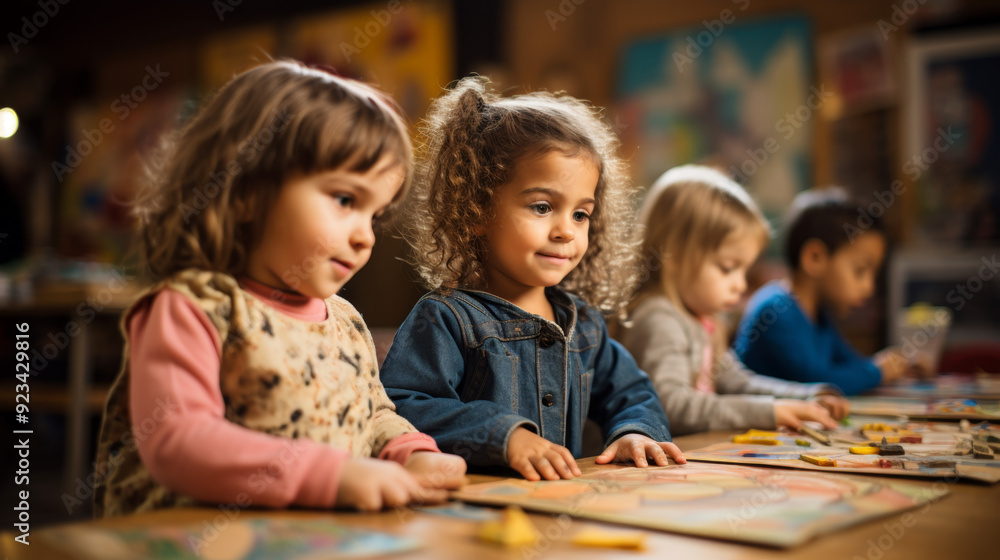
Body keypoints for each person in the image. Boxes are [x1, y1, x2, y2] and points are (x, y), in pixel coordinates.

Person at [93, 61, 466, 517]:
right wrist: (328, 476)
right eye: (345, 200)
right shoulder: (193, 309)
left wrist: (411, 452)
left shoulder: (345, 321)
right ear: (246, 190)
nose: (365, 235)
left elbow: (371, 414)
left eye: (376, 215)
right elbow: (178, 441)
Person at [380, 77, 686, 482]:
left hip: (562, 515)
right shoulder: (445, 319)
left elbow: (632, 393)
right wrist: (503, 436)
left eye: (581, 214)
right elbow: (405, 404)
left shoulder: (584, 326)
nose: (566, 231)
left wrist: (636, 430)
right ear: (476, 210)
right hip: (475, 518)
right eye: (543, 207)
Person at [619, 165, 848, 435]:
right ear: (674, 257)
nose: (740, 284)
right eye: (727, 268)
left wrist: (803, 396)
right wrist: (769, 413)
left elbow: (735, 380)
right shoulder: (658, 319)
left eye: (745, 270)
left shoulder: (705, 319)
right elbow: (669, 406)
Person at [734, 187, 907, 395]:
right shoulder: (774, 310)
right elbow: (818, 381)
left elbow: (852, 363)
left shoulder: (820, 314)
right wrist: (878, 372)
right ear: (815, 258)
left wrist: (898, 365)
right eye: (860, 271)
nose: (869, 288)